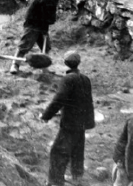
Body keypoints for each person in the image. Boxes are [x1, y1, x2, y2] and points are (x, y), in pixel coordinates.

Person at [40, 51, 95, 186]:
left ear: (65, 63)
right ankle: (77, 178)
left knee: (58, 151)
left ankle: (55, 181)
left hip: (70, 123)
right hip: (83, 122)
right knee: (77, 150)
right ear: (78, 63)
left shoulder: (67, 79)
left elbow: (59, 99)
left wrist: (46, 115)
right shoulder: (85, 79)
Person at [10, 0, 63, 74]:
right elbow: (51, 19)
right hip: (32, 24)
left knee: (46, 47)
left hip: (42, 23)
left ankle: (44, 67)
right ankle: (15, 65)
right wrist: (50, 21)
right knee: (24, 46)